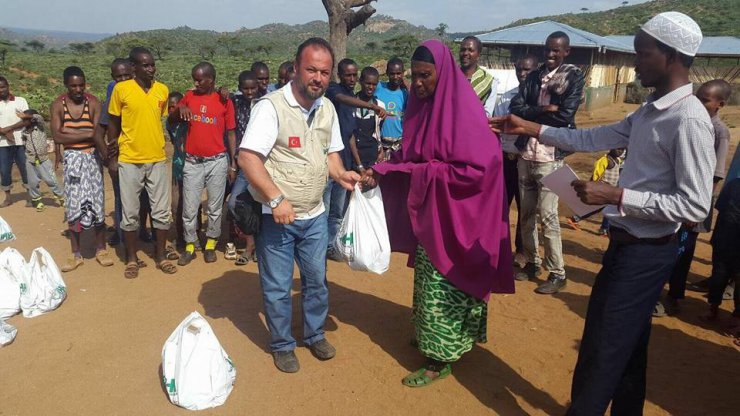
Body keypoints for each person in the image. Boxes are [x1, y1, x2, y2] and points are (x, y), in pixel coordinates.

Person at [491, 12, 714, 414]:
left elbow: (696, 204)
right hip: (627, 245)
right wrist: (531, 128)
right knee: (628, 348)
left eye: (643, 54)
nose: (635, 64)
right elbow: (594, 136)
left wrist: (617, 194)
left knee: (602, 349)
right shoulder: (650, 111)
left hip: (647, 253)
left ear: (672, 56)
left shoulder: (689, 119)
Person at [362, 40, 513, 387]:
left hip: (460, 219)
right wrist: (380, 170)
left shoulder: (464, 113)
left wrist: (423, 171)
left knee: (448, 284)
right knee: (429, 282)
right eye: (414, 76)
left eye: (424, 76)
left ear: (442, 74)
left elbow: (481, 168)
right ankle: (431, 337)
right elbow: (411, 156)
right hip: (433, 216)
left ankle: (440, 356)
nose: (417, 83)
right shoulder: (421, 110)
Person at [238, 37, 361, 373]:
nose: (317, 78)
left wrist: (341, 174)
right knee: (278, 286)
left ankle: (314, 334)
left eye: (324, 72)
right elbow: (248, 158)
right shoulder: (271, 107)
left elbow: (332, 153)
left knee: (316, 280)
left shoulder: (327, 108)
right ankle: (281, 344)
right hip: (277, 217)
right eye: (311, 70)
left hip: (315, 216)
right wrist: (276, 199)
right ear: (295, 68)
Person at [509, 31, 585, 294]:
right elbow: (517, 109)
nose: (551, 54)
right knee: (526, 215)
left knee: (549, 216)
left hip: (550, 157)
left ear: (566, 51)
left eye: (556, 50)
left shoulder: (572, 77)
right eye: (548, 50)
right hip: (526, 154)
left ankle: (558, 272)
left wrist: (533, 117)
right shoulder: (533, 76)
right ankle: (532, 262)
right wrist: (543, 111)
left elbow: (565, 116)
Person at [660, 79, 732, 311]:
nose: (699, 103)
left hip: (694, 204)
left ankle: (674, 297)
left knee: (683, 250)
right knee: (668, 245)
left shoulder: (719, 132)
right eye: (697, 97)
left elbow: (715, 175)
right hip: (676, 196)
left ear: (720, 104)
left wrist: (697, 209)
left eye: (705, 100)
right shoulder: (689, 121)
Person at [107, 47, 176, 278]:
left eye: (152, 64)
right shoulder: (121, 89)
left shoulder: (162, 90)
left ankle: (161, 255)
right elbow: (113, 124)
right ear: (133, 67)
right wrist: (113, 158)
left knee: (161, 212)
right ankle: (131, 258)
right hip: (129, 160)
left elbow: (160, 119)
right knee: (130, 213)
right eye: (145, 65)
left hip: (157, 159)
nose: (150, 69)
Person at [169, 62, 236, 265]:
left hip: (217, 161)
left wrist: (233, 163)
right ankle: (190, 245)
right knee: (190, 206)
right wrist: (180, 108)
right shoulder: (189, 97)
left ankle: (210, 244)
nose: (195, 83)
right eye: (194, 79)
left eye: (199, 79)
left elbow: (231, 132)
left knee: (215, 207)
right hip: (193, 162)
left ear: (211, 80)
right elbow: (171, 120)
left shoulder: (224, 101)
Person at [50, 66, 113, 272]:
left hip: (92, 157)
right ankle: (76, 253)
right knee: (74, 203)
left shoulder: (93, 102)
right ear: (66, 85)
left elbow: (97, 134)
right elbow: (57, 137)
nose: (78, 89)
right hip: (73, 160)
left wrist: (72, 133)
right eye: (73, 86)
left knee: (97, 201)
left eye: (81, 85)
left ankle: (101, 249)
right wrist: (87, 133)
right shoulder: (58, 105)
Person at [323, 58, 386, 260]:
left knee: (336, 211)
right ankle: (316, 247)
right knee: (322, 210)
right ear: (339, 75)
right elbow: (343, 99)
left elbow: (350, 134)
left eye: (353, 75)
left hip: (345, 163)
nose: (351, 78)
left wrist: (357, 163)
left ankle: (330, 247)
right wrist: (372, 107)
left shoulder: (351, 95)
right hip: (328, 162)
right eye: (347, 75)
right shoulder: (334, 90)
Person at [492, 54, 538, 268]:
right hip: (505, 159)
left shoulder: (539, 100)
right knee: (500, 206)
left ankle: (522, 252)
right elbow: (496, 124)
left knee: (525, 209)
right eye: (519, 69)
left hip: (526, 161)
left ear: (535, 71)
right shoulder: (506, 98)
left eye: (527, 70)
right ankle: (497, 249)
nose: (522, 74)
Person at [701, 145, 739, 343]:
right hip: (725, 240)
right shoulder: (733, 185)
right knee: (718, 277)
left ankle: (736, 317)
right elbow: (721, 209)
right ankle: (712, 308)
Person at [96, 58, 134, 247]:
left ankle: (140, 233)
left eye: (127, 75)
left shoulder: (144, 95)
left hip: (142, 158)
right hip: (121, 160)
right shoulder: (112, 101)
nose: (124, 79)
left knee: (141, 201)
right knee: (122, 200)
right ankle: (123, 240)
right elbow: (98, 133)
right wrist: (109, 158)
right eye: (119, 76)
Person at [226, 70, 259, 265]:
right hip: (243, 164)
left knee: (261, 206)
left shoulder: (266, 103)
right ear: (239, 89)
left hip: (263, 165)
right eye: (245, 88)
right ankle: (250, 242)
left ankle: (254, 248)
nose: (249, 92)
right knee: (234, 204)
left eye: (252, 88)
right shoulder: (235, 103)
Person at [566, 148, 626, 235]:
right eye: (618, 149)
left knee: (599, 209)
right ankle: (604, 229)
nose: (620, 151)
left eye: (622, 150)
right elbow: (597, 173)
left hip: (610, 189)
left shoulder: (618, 160)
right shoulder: (605, 160)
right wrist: (593, 184)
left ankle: (575, 219)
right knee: (608, 208)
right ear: (611, 148)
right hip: (603, 188)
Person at [18, 109, 64, 211]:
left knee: (51, 180)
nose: (24, 122)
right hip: (30, 160)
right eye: (23, 120)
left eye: (26, 119)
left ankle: (61, 197)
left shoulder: (40, 127)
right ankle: (37, 201)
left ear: (33, 120)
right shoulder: (24, 132)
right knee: (33, 182)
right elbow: (24, 144)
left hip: (43, 159)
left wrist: (27, 116)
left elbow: (39, 117)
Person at [0, 76, 30, 207]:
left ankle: (30, 196)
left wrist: (9, 129)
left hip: (20, 141)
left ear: (8, 86)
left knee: (25, 168)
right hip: (2, 143)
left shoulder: (20, 101)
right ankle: (7, 198)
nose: (1, 90)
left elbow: (27, 120)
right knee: (4, 170)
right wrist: (4, 133)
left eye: (3, 87)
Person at [349, 67, 385, 172]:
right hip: (354, 154)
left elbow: (378, 130)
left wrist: (380, 150)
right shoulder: (351, 103)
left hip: (371, 154)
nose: (370, 87)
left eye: (374, 84)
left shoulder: (380, 105)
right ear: (360, 82)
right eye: (367, 83)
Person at [165, 91, 187, 256]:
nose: (172, 109)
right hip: (177, 169)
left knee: (192, 205)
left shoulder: (190, 122)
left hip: (193, 169)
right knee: (176, 205)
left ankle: (191, 237)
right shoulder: (170, 123)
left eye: (175, 106)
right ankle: (180, 237)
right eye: (169, 107)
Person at [374, 57, 408, 160]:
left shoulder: (405, 94)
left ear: (403, 73)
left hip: (398, 144)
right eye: (392, 73)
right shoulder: (379, 87)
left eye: (398, 73)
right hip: (380, 143)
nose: (395, 77)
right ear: (387, 73)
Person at [459, 35, 498, 116]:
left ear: (478, 55)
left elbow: (487, 114)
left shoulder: (489, 81)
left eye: (470, 50)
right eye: (463, 50)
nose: (465, 53)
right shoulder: (450, 77)